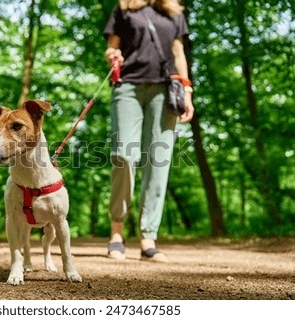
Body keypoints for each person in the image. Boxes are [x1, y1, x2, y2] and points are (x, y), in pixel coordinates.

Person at [103, 0, 194, 262]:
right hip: (128, 86)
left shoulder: (174, 12)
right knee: (123, 155)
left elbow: (178, 54)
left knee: (158, 160)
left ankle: (148, 237)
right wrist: (113, 56)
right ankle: (117, 232)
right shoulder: (124, 8)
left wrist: (187, 90)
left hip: (165, 90)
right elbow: (112, 47)